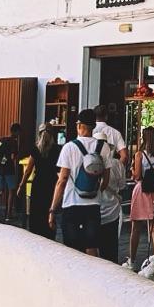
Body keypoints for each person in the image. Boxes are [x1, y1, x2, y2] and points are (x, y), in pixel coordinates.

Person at [50, 109, 104, 254]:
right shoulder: (103, 147)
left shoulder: (69, 147)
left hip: (71, 204)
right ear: (93, 126)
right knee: (92, 246)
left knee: (72, 249)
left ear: (79, 125)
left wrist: (53, 209)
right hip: (93, 204)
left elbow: (62, 180)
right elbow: (106, 179)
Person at [92, 105, 128, 263]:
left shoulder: (88, 132)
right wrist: (118, 168)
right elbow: (124, 155)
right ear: (106, 116)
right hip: (111, 207)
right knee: (111, 246)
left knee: (91, 244)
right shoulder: (114, 133)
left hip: (91, 204)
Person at [129, 125, 154, 275]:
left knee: (136, 227)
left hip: (141, 190)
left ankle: (132, 260)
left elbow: (137, 176)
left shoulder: (139, 155)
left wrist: (132, 170)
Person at [25, 123, 60, 236]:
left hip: (38, 183)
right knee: (49, 208)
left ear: (39, 134)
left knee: (36, 210)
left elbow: (28, 170)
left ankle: (36, 234)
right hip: (51, 183)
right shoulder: (56, 149)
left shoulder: (35, 149)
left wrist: (21, 185)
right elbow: (59, 170)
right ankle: (49, 232)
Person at [0, 123, 21, 224]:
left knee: (0, 191)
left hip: (0, 168)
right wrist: (10, 159)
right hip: (9, 169)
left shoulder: (1, 140)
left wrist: (1, 162)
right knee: (12, 191)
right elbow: (13, 156)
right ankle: (8, 215)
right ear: (16, 131)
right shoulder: (13, 142)